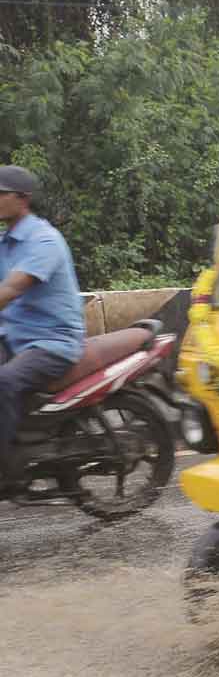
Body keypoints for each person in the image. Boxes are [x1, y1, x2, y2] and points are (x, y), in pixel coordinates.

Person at [0, 165, 85, 482]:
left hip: (53, 342)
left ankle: (7, 470)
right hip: (15, 337)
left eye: (1, 193)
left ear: (22, 199)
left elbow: (10, 289)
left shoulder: (44, 241)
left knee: (4, 381)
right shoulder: (6, 242)